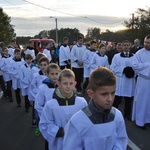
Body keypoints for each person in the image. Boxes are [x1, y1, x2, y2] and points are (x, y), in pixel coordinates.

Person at [63, 67, 128, 150]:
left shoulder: (117, 116)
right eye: (104, 94)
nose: (110, 99)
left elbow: (121, 140)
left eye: (113, 93)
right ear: (91, 94)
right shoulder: (77, 121)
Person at [39, 69, 87, 150]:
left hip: (77, 143)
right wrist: (62, 131)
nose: (68, 86)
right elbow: (44, 125)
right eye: (65, 83)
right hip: (59, 143)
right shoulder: (51, 105)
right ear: (59, 84)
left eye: (71, 83)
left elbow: (87, 122)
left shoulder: (82, 103)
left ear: (75, 84)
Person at [35, 63, 60, 149]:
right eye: (52, 74)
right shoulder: (42, 88)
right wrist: (47, 115)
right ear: (47, 74)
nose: (55, 76)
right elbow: (38, 105)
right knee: (49, 139)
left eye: (57, 74)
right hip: (49, 119)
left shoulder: (61, 87)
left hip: (59, 118)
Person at [110, 40, 135, 120]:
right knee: (116, 100)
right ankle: (113, 113)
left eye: (128, 45)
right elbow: (112, 67)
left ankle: (127, 114)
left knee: (128, 100)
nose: (126, 46)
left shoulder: (134, 56)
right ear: (122, 46)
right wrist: (123, 70)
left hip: (130, 82)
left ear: (130, 46)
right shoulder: (116, 56)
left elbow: (137, 68)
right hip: (120, 82)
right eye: (124, 45)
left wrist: (132, 72)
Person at [132, 35, 150, 129]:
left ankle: (148, 120)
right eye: (145, 42)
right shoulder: (139, 53)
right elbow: (135, 66)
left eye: (148, 43)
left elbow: (140, 66)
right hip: (143, 81)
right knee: (142, 101)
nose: (146, 44)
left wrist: (144, 65)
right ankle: (140, 121)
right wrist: (148, 65)